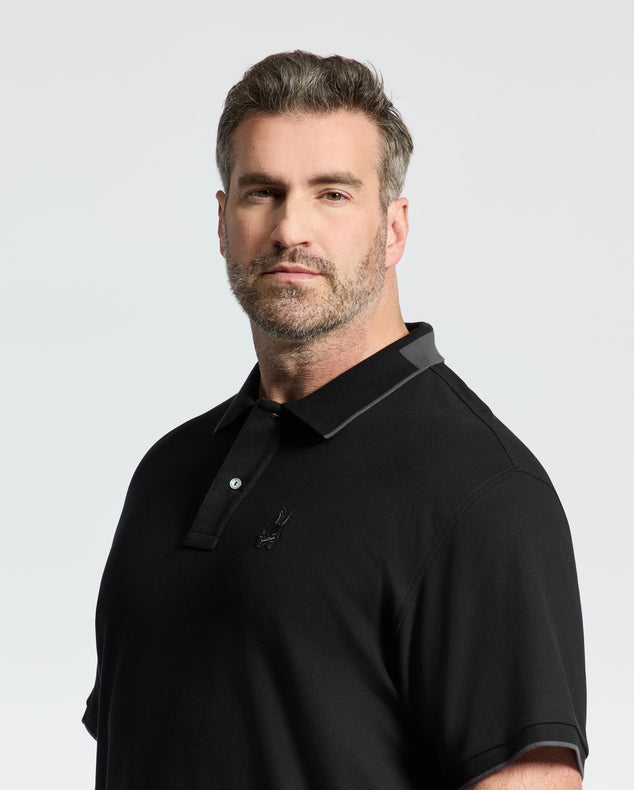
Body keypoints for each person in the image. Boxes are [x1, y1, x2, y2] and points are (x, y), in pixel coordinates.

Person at [83, 51, 588, 789]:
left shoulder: (481, 493)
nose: (291, 228)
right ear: (222, 220)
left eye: (333, 194)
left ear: (394, 229)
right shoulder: (170, 471)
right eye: (263, 192)